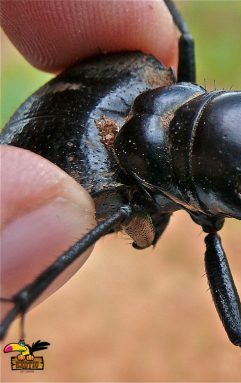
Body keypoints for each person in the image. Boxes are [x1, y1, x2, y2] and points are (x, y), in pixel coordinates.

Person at [0, 0, 179, 318]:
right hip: (74, 163)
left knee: (130, 215)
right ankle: (19, 301)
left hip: (119, 90)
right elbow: (139, 228)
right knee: (127, 214)